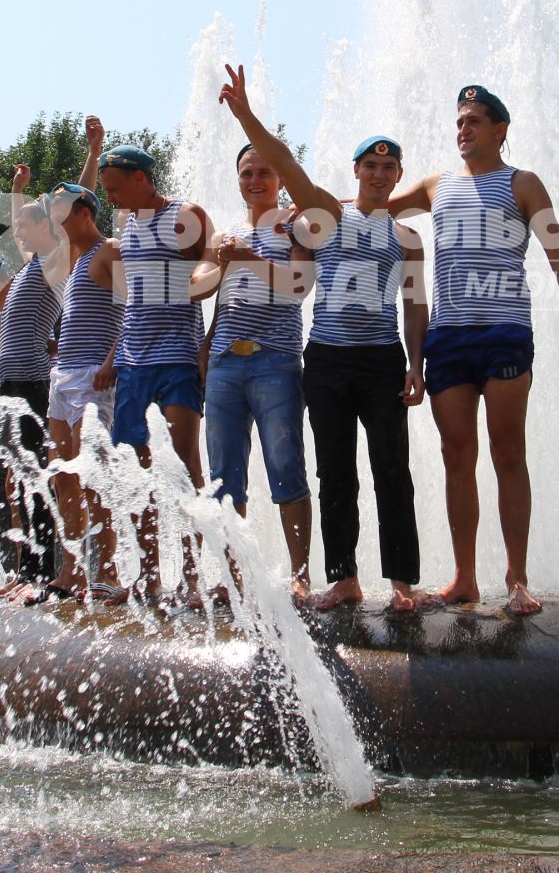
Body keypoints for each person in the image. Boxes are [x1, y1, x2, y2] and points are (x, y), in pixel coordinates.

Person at [217, 65, 431, 612]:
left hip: (383, 359)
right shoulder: (328, 214)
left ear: (398, 172)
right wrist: (245, 113)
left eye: (389, 167)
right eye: (371, 165)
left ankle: (403, 580)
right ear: (356, 169)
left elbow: (414, 302)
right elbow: (285, 162)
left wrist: (416, 364)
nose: (379, 174)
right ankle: (343, 579)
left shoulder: (406, 237)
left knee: (391, 467)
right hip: (329, 360)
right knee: (335, 469)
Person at [384, 84, 559, 616]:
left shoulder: (521, 183)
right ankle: (464, 577)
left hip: (503, 333)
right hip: (448, 338)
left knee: (508, 454)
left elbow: (558, 247)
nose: (464, 130)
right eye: (460, 121)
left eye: (474, 121)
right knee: (456, 456)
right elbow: (375, 205)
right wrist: (309, 206)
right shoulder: (437, 185)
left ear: (499, 130)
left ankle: (518, 577)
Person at [0, 120, 104, 595]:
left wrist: (94, 149)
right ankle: (26, 569)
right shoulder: (26, 270)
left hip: (36, 383)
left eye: (26, 224)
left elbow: (79, 200)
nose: (18, 232)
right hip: (9, 387)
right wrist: (17, 193)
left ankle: (44, 572)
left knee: (40, 477)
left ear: (51, 226)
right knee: (13, 482)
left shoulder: (58, 261)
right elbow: (26, 230)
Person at [89, 144, 219, 599]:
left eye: (114, 187)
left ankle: (191, 574)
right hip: (131, 365)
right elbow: (130, 302)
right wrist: (111, 359)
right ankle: (145, 577)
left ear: (140, 177)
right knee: (134, 471)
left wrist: (206, 335)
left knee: (184, 467)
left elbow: (213, 266)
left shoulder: (187, 215)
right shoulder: (127, 227)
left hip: (179, 358)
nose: (109, 197)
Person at [191, 140, 318, 599]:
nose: (255, 180)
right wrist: (224, 265)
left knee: (286, 467)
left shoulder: (295, 225)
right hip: (225, 364)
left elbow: (299, 287)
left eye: (265, 172)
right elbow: (196, 289)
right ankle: (233, 576)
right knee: (224, 475)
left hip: (276, 361)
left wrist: (248, 259)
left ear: (280, 179)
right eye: (247, 172)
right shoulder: (224, 234)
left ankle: (301, 575)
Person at [39, 180, 129, 602]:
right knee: (64, 478)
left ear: (85, 212)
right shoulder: (75, 260)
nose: (55, 220)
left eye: (61, 211)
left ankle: (108, 569)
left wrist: (112, 362)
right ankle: (72, 569)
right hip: (63, 377)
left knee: (94, 476)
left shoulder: (110, 248)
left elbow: (135, 307)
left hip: (95, 376)